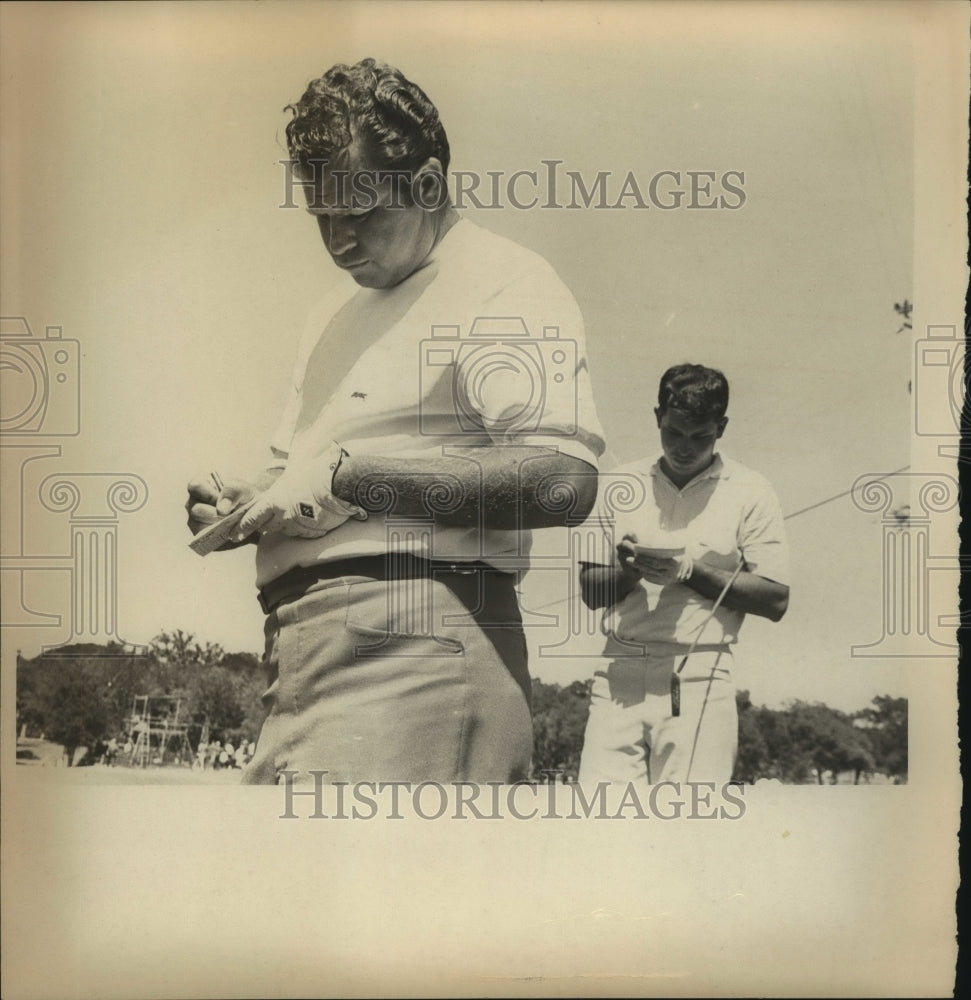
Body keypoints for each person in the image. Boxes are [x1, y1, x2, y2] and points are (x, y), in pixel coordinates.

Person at [186, 58, 605, 784]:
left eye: (360, 213)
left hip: (418, 650)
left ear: (429, 185)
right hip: (296, 651)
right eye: (321, 216)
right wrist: (251, 502)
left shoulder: (501, 279)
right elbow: (298, 475)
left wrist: (350, 479)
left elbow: (562, 481)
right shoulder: (332, 314)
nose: (339, 242)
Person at [577, 364, 789, 785]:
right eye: (674, 432)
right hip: (619, 670)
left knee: (689, 829)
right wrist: (630, 570)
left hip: (700, 673)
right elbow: (590, 590)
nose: (684, 447)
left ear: (721, 427)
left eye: (700, 437)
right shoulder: (619, 484)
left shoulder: (751, 489)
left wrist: (690, 570)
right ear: (658, 417)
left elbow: (775, 598)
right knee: (599, 826)